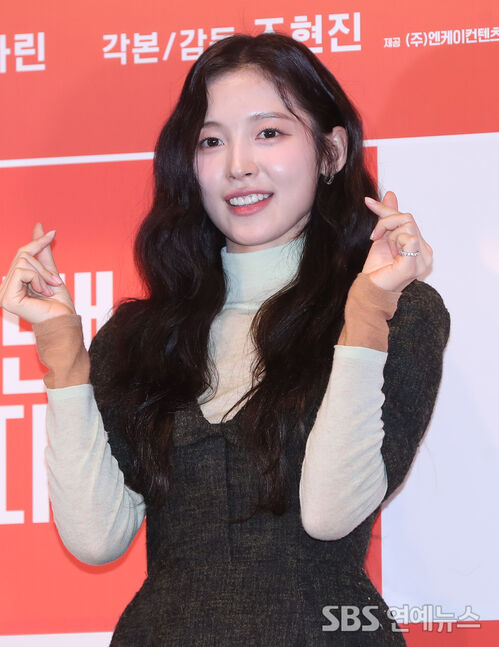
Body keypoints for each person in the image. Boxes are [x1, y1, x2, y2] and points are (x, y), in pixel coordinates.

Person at [0, 33, 450, 645]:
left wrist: (367, 310)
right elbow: (96, 539)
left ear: (331, 151)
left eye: (269, 132)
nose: (238, 165)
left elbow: (330, 513)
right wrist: (62, 352)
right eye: (211, 141)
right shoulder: (140, 337)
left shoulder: (402, 313)